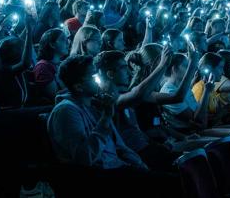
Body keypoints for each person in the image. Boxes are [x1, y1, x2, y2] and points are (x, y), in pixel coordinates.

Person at [48, 54, 178, 197]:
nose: (98, 79)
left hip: (119, 168)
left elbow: (119, 145)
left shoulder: (94, 106)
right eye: (93, 76)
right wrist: (105, 118)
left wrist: (139, 164)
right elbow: (84, 158)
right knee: (172, 184)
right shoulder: (66, 111)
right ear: (78, 86)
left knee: (178, 173)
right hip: (100, 178)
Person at [33, 28, 69, 102]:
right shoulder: (42, 67)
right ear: (52, 44)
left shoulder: (61, 64)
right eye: (63, 39)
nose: (67, 42)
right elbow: (55, 96)